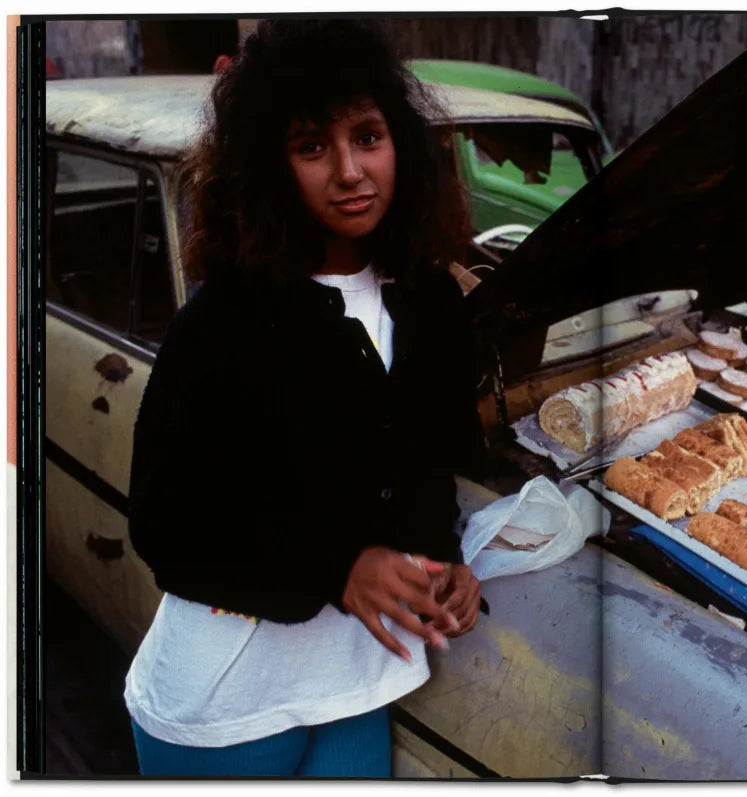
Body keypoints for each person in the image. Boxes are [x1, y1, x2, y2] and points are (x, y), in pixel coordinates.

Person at [123, 19, 484, 777]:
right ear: (270, 167)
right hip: (222, 712)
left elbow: (423, 471)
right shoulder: (222, 324)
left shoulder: (429, 304)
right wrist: (336, 567)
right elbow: (166, 523)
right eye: (313, 147)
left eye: (368, 136)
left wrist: (448, 566)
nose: (351, 170)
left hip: (353, 688)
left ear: (402, 146)